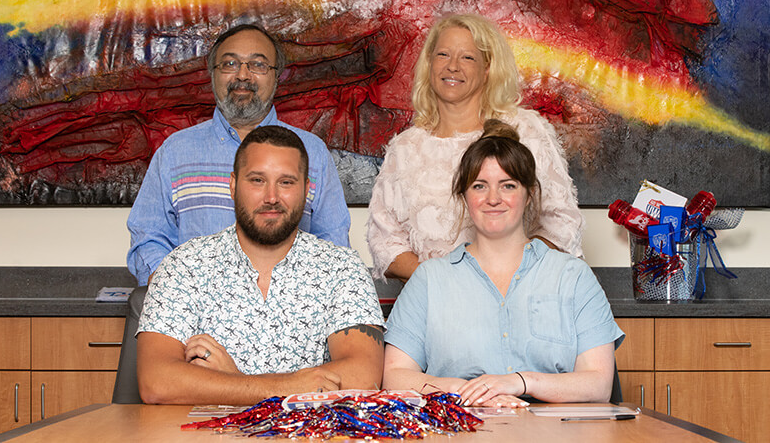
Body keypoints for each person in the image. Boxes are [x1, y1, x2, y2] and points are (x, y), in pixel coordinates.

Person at [137, 126, 384, 405]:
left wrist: (234, 381)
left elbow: (363, 378)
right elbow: (156, 382)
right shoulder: (182, 267)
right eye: (257, 180)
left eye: (286, 182)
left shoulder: (343, 269)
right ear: (232, 185)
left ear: (306, 189)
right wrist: (288, 386)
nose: (271, 197)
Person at [382, 120, 623, 406]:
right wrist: (469, 392)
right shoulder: (429, 280)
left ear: (529, 193)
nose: (493, 199)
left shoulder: (573, 276)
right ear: (464, 196)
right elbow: (395, 376)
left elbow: (598, 383)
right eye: (479, 186)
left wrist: (520, 382)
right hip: (459, 428)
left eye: (507, 185)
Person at [127, 24, 351, 286]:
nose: (242, 75)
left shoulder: (312, 153)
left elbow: (333, 248)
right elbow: (148, 239)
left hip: (289, 317)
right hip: (194, 315)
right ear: (213, 75)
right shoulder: (174, 153)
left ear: (276, 76)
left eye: (258, 64)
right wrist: (182, 296)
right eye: (230, 63)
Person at [367, 14, 583, 281]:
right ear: (429, 63)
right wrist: (442, 282)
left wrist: (501, 280)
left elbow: (559, 222)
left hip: (515, 296)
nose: (453, 67)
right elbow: (384, 240)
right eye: (443, 54)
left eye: (467, 57)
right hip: (433, 303)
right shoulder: (405, 147)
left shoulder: (524, 131)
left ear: (488, 68)